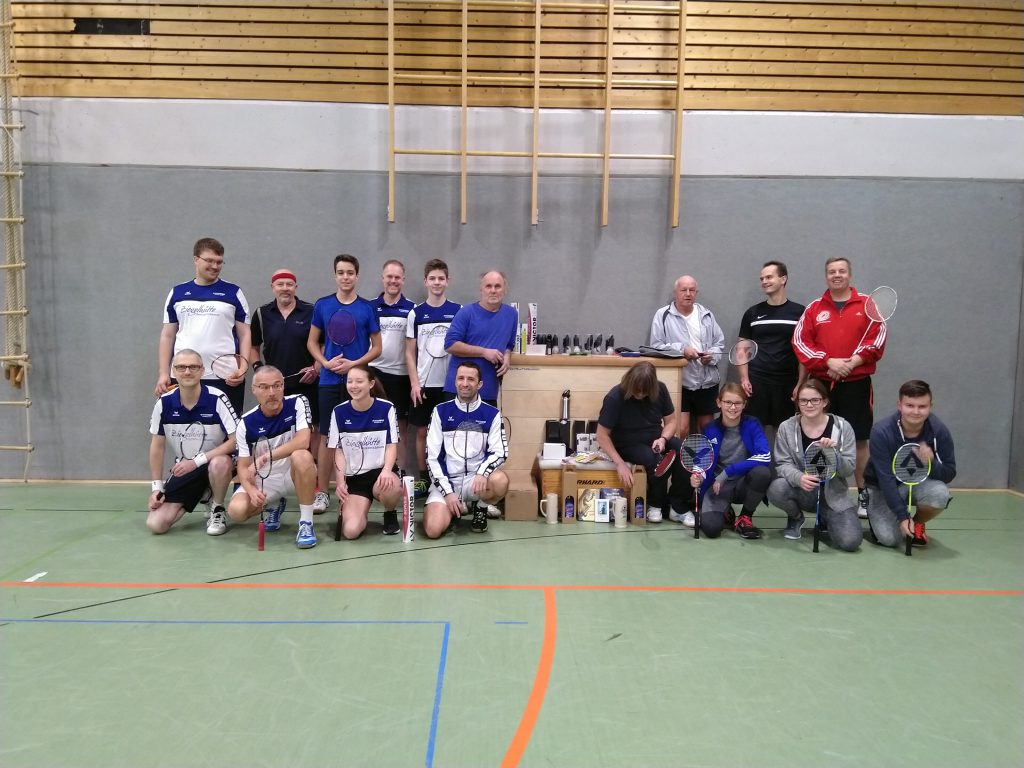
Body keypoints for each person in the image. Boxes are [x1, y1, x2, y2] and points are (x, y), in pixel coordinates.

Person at [793, 256, 887, 514]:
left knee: (859, 440)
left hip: (856, 384)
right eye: (832, 271)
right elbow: (801, 342)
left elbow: (877, 339)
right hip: (820, 384)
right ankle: (820, 493)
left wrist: (852, 362)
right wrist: (829, 361)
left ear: (849, 275)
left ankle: (864, 494)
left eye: (841, 271)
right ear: (826, 276)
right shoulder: (814, 308)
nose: (837, 275)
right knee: (819, 437)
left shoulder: (867, 304)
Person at [307, 254, 382, 513]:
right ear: (335, 275)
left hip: (357, 383)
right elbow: (312, 342)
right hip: (329, 381)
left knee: (356, 434)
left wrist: (354, 365)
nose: (345, 277)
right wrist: (324, 363)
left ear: (357, 276)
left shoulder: (366, 308)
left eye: (350, 272)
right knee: (326, 436)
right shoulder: (323, 305)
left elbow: (377, 347)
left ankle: (356, 488)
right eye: (341, 272)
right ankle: (322, 491)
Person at [147, 349, 239, 536]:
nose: (187, 372)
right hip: (185, 467)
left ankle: (217, 508)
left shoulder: (217, 398)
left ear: (202, 371)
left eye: (193, 367)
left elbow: (236, 440)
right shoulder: (163, 403)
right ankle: (205, 492)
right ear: (173, 371)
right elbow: (157, 446)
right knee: (156, 524)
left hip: (218, 461)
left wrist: (197, 462)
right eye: (181, 367)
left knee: (219, 463)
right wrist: (156, 487)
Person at [155, 237, 251, 414]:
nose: (215, 266)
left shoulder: (234, 293)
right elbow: (167, 335)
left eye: (219, 262)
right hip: (184, 375)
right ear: (196, 259)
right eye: (210, 261)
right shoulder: (177, 293)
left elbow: (245, 334)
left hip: (225, 376)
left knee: (228, 428)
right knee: (182, 426)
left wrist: (243, 368)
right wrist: (163, 373)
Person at [227, 366, 319, 548]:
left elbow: (303, 441)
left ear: (283, 386)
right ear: (254, 390)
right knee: (236, 511)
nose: (272, 393)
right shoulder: (246, 423)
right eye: (264, 387)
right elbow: (243, 467)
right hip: (266, 480)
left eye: (277, 386)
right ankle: (273, 504)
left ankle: (306, 523)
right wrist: (251, 491)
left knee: (302, 456)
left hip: (294, 474)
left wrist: (266, 457)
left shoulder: (298, 402)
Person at [767, 379, 862, 551]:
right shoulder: (786, 427)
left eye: (815, 400)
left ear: (825, 402)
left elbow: (849, 469)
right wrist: (799, 478)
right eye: (803, 400)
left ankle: (826, 518)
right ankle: (796, 517)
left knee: (850, 542)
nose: (809, 405)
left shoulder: (843, 427)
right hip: (803, 491)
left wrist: (834, 455)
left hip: (834, 497)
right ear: (798, 403)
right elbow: (782, 464)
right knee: (777, 488)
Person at [864, 380, 956, 549]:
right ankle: (873, 507)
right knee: (890, 540)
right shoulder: (881, 431)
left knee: (939, 494)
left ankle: (917, 523)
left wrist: (931, 462)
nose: (916, 411)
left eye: (922, 406)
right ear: (899, 405)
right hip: (881, 488)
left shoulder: (939, 431)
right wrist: (902, 516)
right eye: (910, 405)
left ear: (930, 406)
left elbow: (949, 473)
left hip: (916, 483)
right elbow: (885, 479)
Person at [595, 361, 689, 525]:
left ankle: (677, 507)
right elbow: (602, 435)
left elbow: (671, 421)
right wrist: (619, 463)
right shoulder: (614, 397)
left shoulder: (661, 389)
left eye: (644, 391)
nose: (639, 394)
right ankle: (655, 505)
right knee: (653, 459)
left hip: (656, 437)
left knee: (684, 451)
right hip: (627, 443)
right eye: (636, 390)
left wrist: (663, 439)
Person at [423, 362, 509, 537]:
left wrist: (482, 473)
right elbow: (432, 457)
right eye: (460, 378)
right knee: (433, 530)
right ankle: (455, 508)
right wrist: (448, 492)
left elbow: (500, 452)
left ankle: (480, 507)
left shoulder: (492, 414)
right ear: (455, 382)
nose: (465, 383)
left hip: (475, 481)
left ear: (480, 384)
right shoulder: (440, 411)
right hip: (448, 481)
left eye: (470, 379)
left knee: (500, 480)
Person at [405, 259, 461, 498]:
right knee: (421, 433)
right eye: (432, 278)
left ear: (447, 281)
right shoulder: (416, 313)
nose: (437, 282)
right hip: (424, 385)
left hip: (449, 385)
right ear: (425, 281)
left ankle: (448, 479)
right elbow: (409, 352)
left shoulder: (458, 311)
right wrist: (414, 383)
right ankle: (424, 479)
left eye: (441, 278)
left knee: (449, 433)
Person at [327, 364, 403, 538]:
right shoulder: (339, 412)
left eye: (359, 381)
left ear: (371, 384)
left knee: (391, 486)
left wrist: (386, 470)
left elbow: (391, 445)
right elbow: (338, 451)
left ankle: (390, 513)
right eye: (350, 381)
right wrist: (340, 482)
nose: (353, 386)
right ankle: (358, 511)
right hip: (355, 478)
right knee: (351, 532)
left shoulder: (387, 408)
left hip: (380, 473)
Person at [249, 268, 320, 449]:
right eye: (280, 284)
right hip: (273, 387)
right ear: (272, 287)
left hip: (307, 383)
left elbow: (323, 344)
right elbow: (253, 346)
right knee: (278, 430)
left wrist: (316, 367)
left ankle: (310, 466)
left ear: (296, 287)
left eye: (289, 284)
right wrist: (258, 368)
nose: (285, 288)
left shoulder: (311, 311)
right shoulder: (261, 314)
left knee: (312, 430)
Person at [690, 383, 771, 539]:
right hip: (717, 486)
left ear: (744, 404)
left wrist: (727, 472)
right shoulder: (710, 429)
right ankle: (726, 512)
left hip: (743, 483)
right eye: (728, 402)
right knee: (711, 529)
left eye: (737, 403)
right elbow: (701, 462)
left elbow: (765, 456)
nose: (733, 407)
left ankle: (745, 517)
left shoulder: (753, 424)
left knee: (762, 473)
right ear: (719, 403)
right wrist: (698, 476)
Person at [735, 261, 806, 440]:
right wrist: (744, 378)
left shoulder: (800, 313)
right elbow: (742, 348)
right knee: (754, 432)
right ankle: (756, 460)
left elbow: (803, 352)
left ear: (783, 279)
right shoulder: (752, 313)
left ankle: (784, 461)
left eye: (769, 277)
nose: (764, 281)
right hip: (757, 381)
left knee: (785, 434)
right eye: (762, 279)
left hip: (787, 382)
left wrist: (801, 383)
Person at [649, 275, 725, 437]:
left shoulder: (706, 314)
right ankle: (681, 455)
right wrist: (682, 350)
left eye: (692, 290)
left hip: (707, 380)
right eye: (683, 290)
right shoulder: (663, 315)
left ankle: (705, 455)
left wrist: (711, 356)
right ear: (675, 292)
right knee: (681, 428)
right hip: (680, 381)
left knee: (707, 428)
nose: (688, 294)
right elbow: (656, 346)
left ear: (696, 293)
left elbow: (719, 343)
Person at [443, 270, 518, 406]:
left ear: (505, 290)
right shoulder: (466, 312)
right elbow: (450, 345)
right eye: (488, 286)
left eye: (497, 286)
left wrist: (507, 357)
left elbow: (509, 344)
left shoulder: (511, 314)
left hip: (489, 390)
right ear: (481, 289)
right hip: (460, 390)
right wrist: (483, 352)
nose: (493, 290)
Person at [370, 259, 415, 472]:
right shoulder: (370, 307)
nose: (393, 281)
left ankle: (401, 473)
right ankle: (374, 472)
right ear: (383, 278)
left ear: (403, 280)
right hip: (374, 373)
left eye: (397, 277)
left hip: (400, 376)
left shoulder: (412, 309)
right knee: (373, 424)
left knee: (400, 427)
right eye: (389, 276)